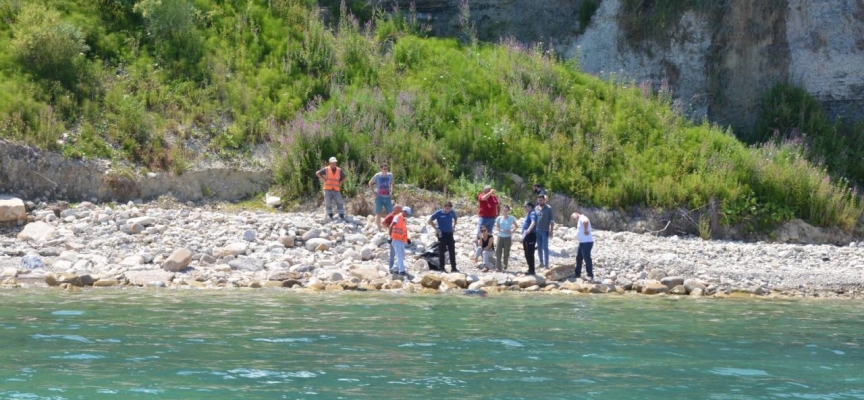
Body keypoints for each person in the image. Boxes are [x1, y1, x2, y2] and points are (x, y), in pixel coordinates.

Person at [428, 201, 459, 273]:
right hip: (441, 234)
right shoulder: (439, 213)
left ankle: (453, 267)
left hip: (450, 234)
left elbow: (455, 218)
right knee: (441, 251)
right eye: (446, 208)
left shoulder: (452, 212)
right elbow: (429, 220)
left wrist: (454, 226)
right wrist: (436, 229)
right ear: (444, 207)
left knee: (452, 251)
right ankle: (442, 268)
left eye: (449, 208)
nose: (448, 210)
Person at [368, 163, 394, 231]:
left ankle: (389, 227)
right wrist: (373, 193)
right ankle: (379, 228)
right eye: (384, 169)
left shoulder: (390, 175)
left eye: (387, 169)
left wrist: (391, 192)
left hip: (387, 197)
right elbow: (370, 183)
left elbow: (393, 184)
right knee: (378, 213)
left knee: (391, 212)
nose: (386, 170)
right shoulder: (377, 175)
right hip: (379, 197)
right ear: (381, 169)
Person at [570, 211, 594, 280]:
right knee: (579, 258)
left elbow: (586, 222)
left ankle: (590, 275)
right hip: (582, 242)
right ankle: (577, 274)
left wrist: (585, 230)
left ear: (576, 214)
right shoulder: (580, 219)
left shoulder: (582, 217)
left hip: (587, 242)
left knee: (587, 258)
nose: (574, 220)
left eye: (574, 218)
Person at [390, 205, 412, 276]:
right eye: (407, 213)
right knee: (399, 255)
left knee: (402, 255)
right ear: (404, 212)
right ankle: (402, 271)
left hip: (401, 240)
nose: (407, 215)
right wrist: (390, 237)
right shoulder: (397, 217)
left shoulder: (403, 219)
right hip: (396, 239)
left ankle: (394, 269)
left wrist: (407, 239)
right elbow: (391, 226)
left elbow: (403, 231)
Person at [494, 204, 516, 271]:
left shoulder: (511, 218)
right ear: (502, 211)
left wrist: (511, 231)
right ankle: (498, 266)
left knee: (506, 252)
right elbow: (497, 227)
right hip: (500, 236)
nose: (505, 212)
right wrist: (502, 230)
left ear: (508, 211)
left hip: (507, 238)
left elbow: (516, 226)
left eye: (506, 210)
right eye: (504, 210)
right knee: (498, 251)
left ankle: (504, 266)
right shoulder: (499, 218)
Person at [535, 194, 554, 270]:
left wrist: (551, 231)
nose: (540, 201)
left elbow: (552, 220)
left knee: (545, 247)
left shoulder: (549, 208)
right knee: (539, 247)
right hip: (537, 230)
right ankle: (541, 262)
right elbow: (534, 220)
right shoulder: (536, 208)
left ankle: (546, 264)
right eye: (539, 200)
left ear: (544, 200)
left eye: (541, 200)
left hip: (545, 231)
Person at [381, 204, 403, 273]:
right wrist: (390, 228)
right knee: (392, 253)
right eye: (398, 210)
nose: (399, 211)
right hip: (393, 236)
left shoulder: (399, 216)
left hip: (399, 236)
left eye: (400, 210)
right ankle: (391, 268)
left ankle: (396, 267)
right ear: (395, 209)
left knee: (399, 253)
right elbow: (383, 222)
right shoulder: (391, 215)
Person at [521, 201, 538, 275]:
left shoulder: (533, 213)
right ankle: (530, 268)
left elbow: (533, 222)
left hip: (531, 235)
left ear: (530, 207)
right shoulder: (528, 214)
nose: (525, 208)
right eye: (524, 207)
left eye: (526, 207)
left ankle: (532, 269)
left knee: (530, 253)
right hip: (526, 235)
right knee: (526, 252)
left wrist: (529, 229)